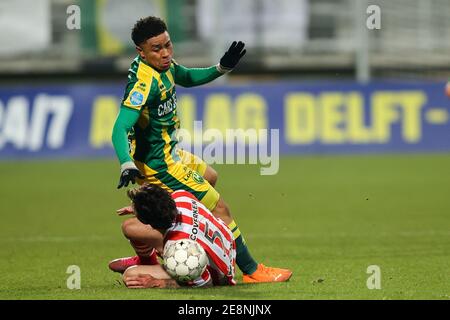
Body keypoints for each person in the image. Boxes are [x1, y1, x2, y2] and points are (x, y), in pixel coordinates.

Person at [111, 16, 292, 283]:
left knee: (210, 177)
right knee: (220, 208)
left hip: (171, 151)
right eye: (157, 49)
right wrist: (126, 162)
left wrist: (221, 68)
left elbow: (184, 75)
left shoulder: (163, 65)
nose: (165, 53)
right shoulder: (143, 83)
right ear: (141, 51)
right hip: (159, 164)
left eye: (168, 45)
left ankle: (152, 248)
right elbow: (119, 127)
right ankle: (252, 271)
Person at [117, 184, 238, 289]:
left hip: (219, 273)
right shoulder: (182, 196)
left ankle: (168, 267)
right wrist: (142, 210)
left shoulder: (179, 246)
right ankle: (148, 262)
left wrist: (161, 283)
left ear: (146, 220)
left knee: (131, 275)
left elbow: (205, 283)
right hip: (226, 245)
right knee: (130, 226)